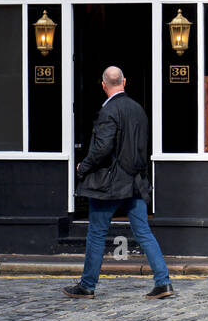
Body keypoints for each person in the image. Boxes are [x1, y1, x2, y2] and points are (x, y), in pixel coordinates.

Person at [63, 66, 173, 300]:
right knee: (144, 232)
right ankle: (163, 283)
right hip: (135, 181)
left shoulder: (108, 111)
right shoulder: (138, 110)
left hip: (109, 185)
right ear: (125, 81)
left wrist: (84, 167)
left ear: (103, 85)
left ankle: (87, 286)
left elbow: (102, 148)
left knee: (96, 234)